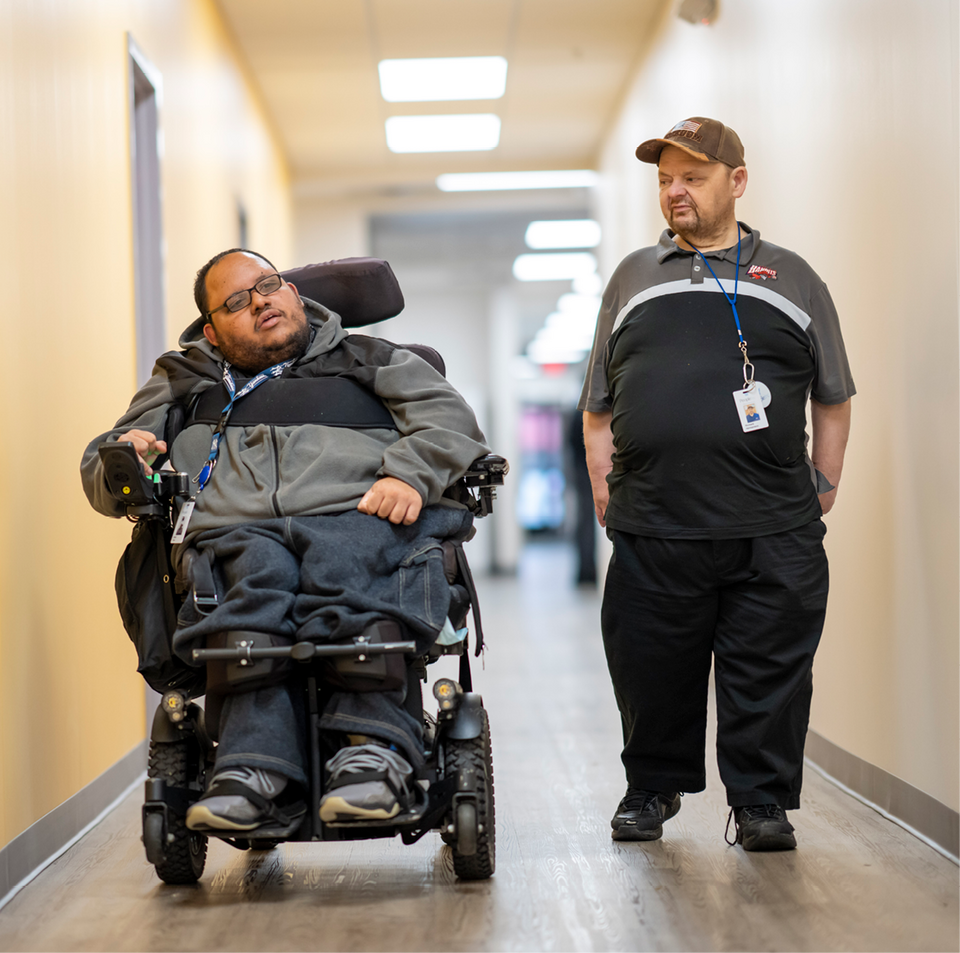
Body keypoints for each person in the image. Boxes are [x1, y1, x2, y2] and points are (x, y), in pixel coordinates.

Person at [81, 249, 489, 835]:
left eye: (268, 285)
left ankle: (373, 754)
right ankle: (252, 771)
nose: (261, 301)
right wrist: (128, 457)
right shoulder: (183, 380)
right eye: (237, 302)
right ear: (214, 334)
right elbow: (106, 463)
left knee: (349, 575)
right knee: (251, 593)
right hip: (235, 531)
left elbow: (451, 422)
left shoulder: (371, 358)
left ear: (294, 294)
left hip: (362, 514)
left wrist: (410, 474)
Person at [578, 118, 854, 851]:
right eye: (665, 178)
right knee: (649, 665)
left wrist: (825, 479)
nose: (674, 191)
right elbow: (597, 402)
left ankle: (762, 801)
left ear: (736, 180)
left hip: (773, 527)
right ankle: (651, 788)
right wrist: (605, 486)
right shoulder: (634, 276)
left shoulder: (792, 277)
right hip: (654, 523)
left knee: (770, 670)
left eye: (692, 177)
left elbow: (834, 391)